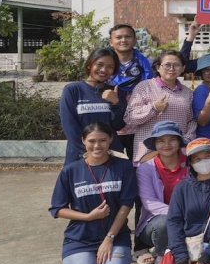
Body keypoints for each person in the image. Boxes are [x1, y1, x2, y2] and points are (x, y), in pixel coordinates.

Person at [50, 122, 136, 264]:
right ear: (83, 141)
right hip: (80, 238)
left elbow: (126, 205)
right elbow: (57, 209)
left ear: (111, 139)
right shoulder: (71, 171)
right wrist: (88, 217)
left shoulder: (123, 167)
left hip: (115, 236)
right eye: (92, 141)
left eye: (103, 140)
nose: (97, 146)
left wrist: (109, 238)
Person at [123, 50, 197, 161]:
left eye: (176, 65)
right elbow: (130, 118)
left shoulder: (188, 92)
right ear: (158, 67)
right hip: (148, 154)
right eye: (167, 65)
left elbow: (191, 120)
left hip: (177, 154)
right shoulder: (144, 87)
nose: (171, 68)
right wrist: (154, 108)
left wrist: (185, 140)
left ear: (183, 68)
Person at [135, 123, 191, 264]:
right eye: (160, 140)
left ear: (179, 141)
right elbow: (149, 202)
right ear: (154, 144)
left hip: (190, 217)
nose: (166, 144)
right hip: (157, 222)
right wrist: (178, 215)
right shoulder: (145, 169)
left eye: (172, 139)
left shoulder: (191, 163)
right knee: (164, 223)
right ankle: (166, 257)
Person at [60, 48, 126, 163]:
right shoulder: (73, 90)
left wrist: (116, 103)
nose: (104, 70)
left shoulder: (116, 92)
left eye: (110, 67)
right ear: (90, 64)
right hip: (80, 156)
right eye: (99, 64)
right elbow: (69, 126)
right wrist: (88, 153)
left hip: (111, 156)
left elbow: (118, 125)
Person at [107, 24, 154, 160]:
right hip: (113, 126)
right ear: (111, 41)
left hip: (141, 126)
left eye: (127, 36)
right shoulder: (104, 64)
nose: (123, 40)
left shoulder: (147, 64)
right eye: (118, 37)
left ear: (134, 40)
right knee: (115, 167)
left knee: (140, 167)